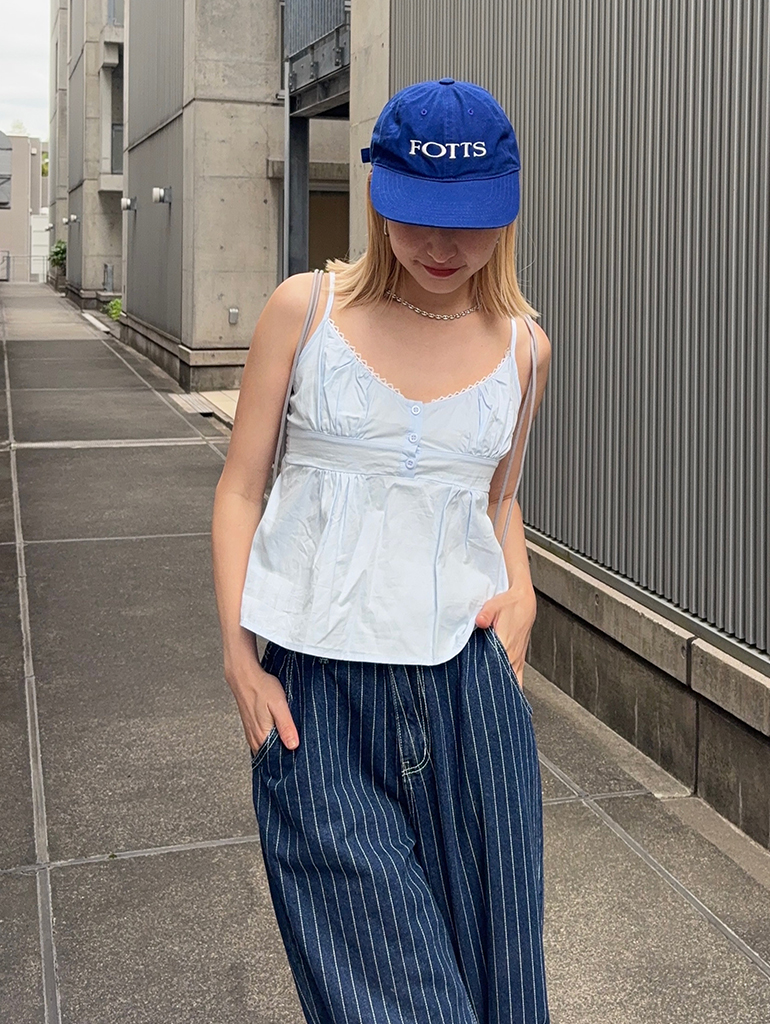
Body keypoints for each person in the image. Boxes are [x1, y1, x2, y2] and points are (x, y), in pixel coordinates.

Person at [211, 77, 552, 1024]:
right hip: (318, 699)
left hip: (468, 697)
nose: (442, 246)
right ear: (377, 196)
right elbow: (241, 487)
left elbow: (497, 498)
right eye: (416, 215)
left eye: (468, 221)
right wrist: (239, 657)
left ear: (505, 211)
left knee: (499, 993)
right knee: (394, 1000)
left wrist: (523, 595)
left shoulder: (525, 349)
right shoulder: (304, 311)